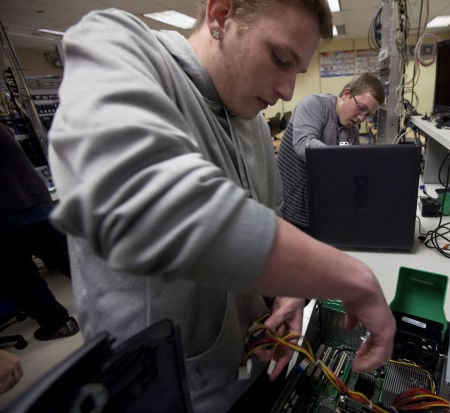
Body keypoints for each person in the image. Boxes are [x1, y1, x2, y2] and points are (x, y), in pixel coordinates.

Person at [47, 1, 396, 411]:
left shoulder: (252, 124)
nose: (287, 90)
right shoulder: (114, 47)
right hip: (158, 392)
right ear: (221, 15)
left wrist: (287, 291)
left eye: (296, 72)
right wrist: (352, 279)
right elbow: (150, 206)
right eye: (280, 60)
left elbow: (268, 219)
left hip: (247, 367)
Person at [0, 123, 79, 341]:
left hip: (6, 215)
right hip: (38, 201)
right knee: (71, 260)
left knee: (20, 277)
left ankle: (59, 325)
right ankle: (119, 297)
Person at [276, 73, 385, 232]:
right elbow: (304, 145)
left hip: (320, 212)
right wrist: (345, 160)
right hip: (291, 210)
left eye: (368, 115)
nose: (361, 118)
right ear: (346, 94)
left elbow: (349, 169)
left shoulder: (352, 131)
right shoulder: (314, 105)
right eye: (361, 108)